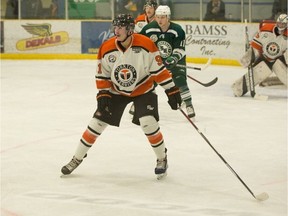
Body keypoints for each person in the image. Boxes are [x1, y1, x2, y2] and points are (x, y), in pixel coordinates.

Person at [61, 14, 182, 179]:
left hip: (143, 89)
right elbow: (102, 74)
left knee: (148, 123)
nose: (115, 30)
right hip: (117, 91)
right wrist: (103, 93)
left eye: (120, 27)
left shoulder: (146, 44)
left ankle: (162, 158)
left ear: (130, 29)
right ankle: (76, 158)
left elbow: (159, 71)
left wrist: (171, 90)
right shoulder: (107, 47)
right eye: (115, 27)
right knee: (96, 123)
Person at [139, 5, 196, 118]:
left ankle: (189, 104)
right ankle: (139, 105)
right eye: (158, 17)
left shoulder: (177, 30)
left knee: (180, 80)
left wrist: (173, 58)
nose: (160, 20)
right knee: (149, 83)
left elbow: (180, 49)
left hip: (176, 60)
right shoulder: (148, 29)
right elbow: (140, 44)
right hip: (157, 62)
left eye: (163, 17)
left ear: (168, 17)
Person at [231, 14, 287, 97]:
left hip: (279, 60)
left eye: (283, 24)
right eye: (279, 23)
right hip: (264, 58)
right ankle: (238, 88)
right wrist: (249, 56)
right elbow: (256, 46)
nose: (280, 25)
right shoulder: (266, 29)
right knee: (238, 89)